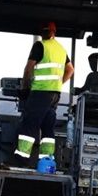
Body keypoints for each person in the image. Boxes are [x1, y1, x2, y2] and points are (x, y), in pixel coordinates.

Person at [12, 21, 73, 167]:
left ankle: (22, 158)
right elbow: (70, 70)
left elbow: (29, 69)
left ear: (42, 33)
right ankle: (47, 160)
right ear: (54, 32)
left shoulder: (40, 45)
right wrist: (59, 83)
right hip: (55, 95)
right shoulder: (61, 49)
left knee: (29, 124)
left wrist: (25, 87)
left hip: (40, 92)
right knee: (47, 126)